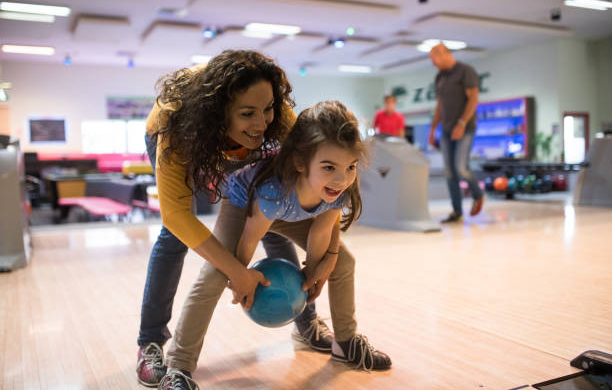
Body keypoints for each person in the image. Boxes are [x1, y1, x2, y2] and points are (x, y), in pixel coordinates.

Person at [159, 100, 392, 389]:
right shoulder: (275, 189)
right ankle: (178, 366)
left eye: (351, 167)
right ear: (299, 162)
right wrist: (239, 277)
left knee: (343, 261)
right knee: (215, 274)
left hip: (283, 210)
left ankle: (345, 343)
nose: (341, 178)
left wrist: (314, 273)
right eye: (329, 167)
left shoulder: (340, 185)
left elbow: (322, 230)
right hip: (244, 205)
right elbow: (250, 236)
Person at [136, 50, 333, 387]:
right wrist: (236, 272)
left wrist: (328, 255)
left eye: (267, 109)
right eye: (248, 113)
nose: (261, 123)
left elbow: (325, 182)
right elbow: (176, 217)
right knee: (174, 237)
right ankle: (150, 342)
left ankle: (306, 321)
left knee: (271, 207)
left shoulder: (275, 116)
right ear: (219, 114)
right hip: (179, 131)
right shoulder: (175, 126)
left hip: (229, 135)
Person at [428, 43, 485, 223]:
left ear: (444, 54)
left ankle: (478, 194)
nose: (433, 63)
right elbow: (440, 105)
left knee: (461, 168)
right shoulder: (440, 77)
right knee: (450, 172)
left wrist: (461, 123)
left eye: (434, 59)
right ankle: (457, 212)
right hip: (446, 130)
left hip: (465, 128)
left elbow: (473, 99)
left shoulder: (465, 71)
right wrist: (432, 129)